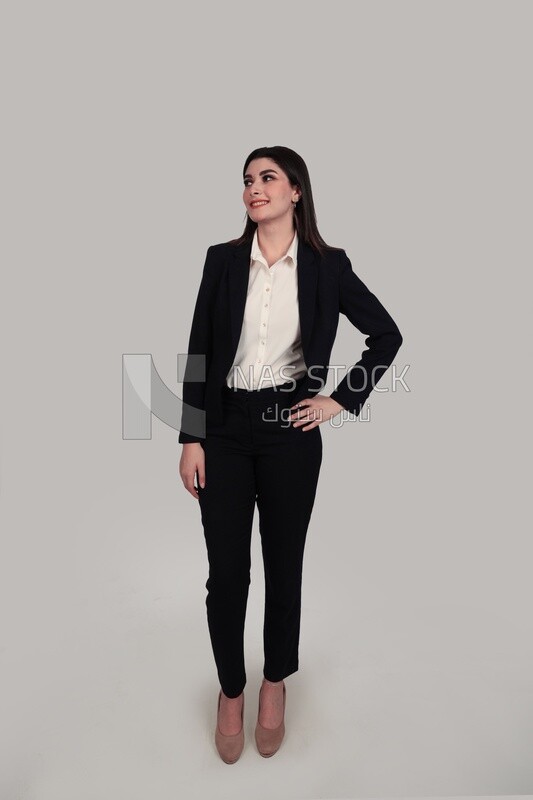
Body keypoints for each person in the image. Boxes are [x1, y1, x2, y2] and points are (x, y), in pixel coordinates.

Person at [178, 145, 403, 763]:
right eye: (247, 180)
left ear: (296, 191)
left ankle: (274, 682)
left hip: (289, 430)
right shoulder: (222, 261)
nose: (254, 188)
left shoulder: (328, 266)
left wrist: (340, 400)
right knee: (227, 576)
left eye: (267, 177)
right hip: (223, 430)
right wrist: (190, 437)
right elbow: (199, 346)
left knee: (284, 566)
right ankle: (232, 689)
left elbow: (387, 335)